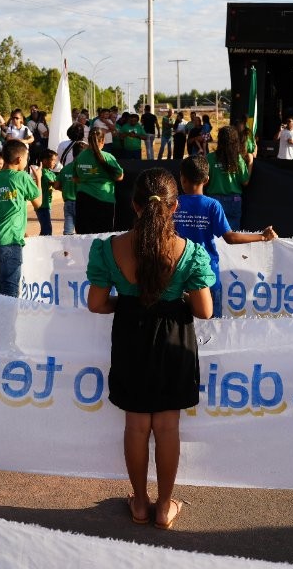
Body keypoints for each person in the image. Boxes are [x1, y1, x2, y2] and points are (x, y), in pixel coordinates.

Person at [86, 168, 215, 529]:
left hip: (131, 336)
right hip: (175, 339)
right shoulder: (189, 252)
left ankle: (140, 504)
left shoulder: (110, 248)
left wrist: (126, 303)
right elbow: (205, 310)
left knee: (136, 425)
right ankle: (164, 506)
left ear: (134, 205)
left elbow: (96, 303)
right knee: (168, 427)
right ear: (174, 207)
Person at [175, 156, 276, 317]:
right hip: (207, 276)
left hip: (179, 276)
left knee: (181, 322)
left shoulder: (174, 204)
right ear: (207, 180)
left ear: (182, 178)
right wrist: (262, 237)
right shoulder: (212, 206)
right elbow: (230, 237)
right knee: (213, 324)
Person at [0, 140, 41, 296]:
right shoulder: (22, 177)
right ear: (19, 159)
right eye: (27, 158)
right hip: (10, 240)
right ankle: (9, 314)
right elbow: (38, 203)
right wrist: (39, 179)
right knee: (10, 290)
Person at [73, 127, 124, 234]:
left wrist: (88, 178)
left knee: (83, 235)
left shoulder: (80, 157)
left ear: (88, 140)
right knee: (103, 235)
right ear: (102, 140)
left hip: (83, 198)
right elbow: (119, 176)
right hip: (103, 198)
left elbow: (75, 178)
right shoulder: (107, 157)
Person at [206, 126, 252, 231]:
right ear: (235, 141)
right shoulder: (238, 158)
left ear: (219, 140)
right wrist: (250, 163)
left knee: (214, 234)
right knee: (233, 234)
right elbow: (245, 182)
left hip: (214, 200)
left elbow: (204, 181)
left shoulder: (210, 158)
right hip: (234, 200)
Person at [59, 138, 84, 236]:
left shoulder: (65, 169)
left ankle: (67, 244)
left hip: (68, 202)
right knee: (82, 230)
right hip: (81, 202)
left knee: (68, 229)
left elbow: (56, 185)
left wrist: (65, 188)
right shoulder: (84, 169)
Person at [35, 148, 57, 236]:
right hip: (42, 206)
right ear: (44, 161)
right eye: (53, 160)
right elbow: (53, 183)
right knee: (47, 230)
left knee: (46, 229)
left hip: (47, 205)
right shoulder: (43, 172)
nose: (55, 162)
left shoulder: (51, 173)